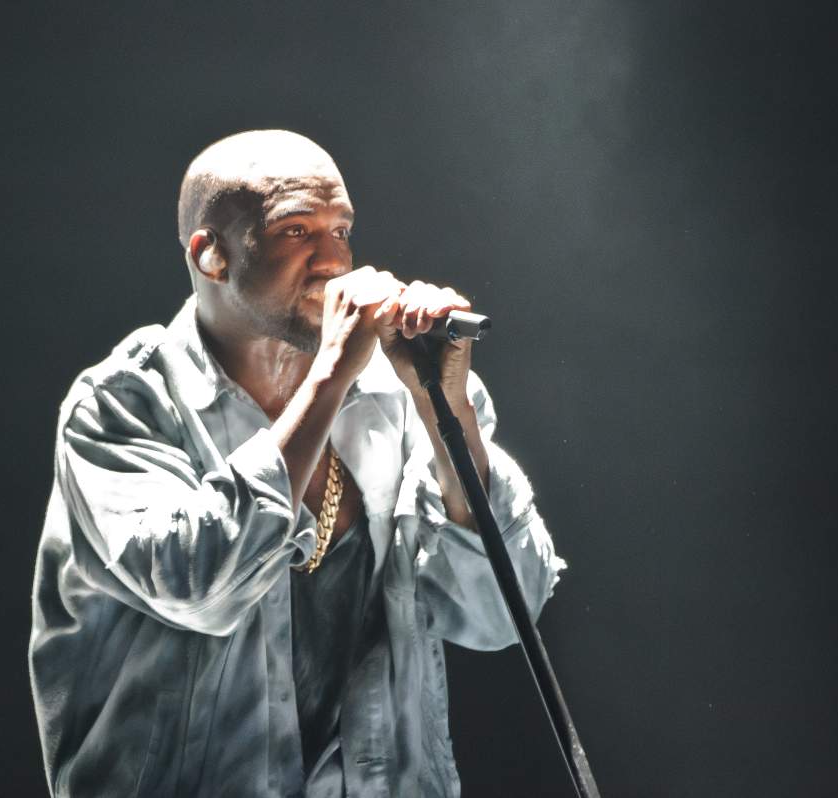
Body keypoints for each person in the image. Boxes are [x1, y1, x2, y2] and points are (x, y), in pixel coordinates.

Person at [28, 130, 565, 797]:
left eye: (341, 229)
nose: (333, 260)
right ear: (211, 255)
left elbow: (500, 613)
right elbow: (199, 587)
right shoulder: (122, 406)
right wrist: (331, 376)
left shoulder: (398, 393)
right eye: (296, 232)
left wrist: (441, 402)